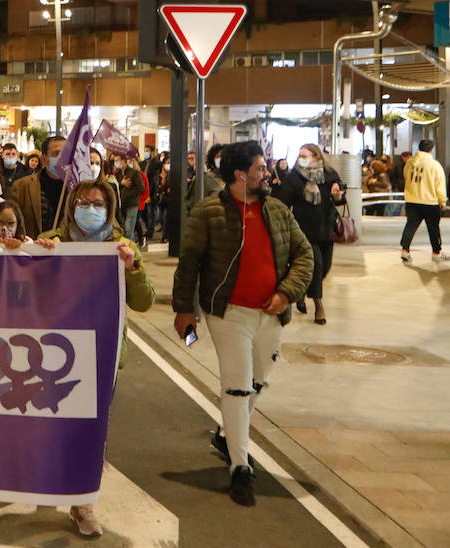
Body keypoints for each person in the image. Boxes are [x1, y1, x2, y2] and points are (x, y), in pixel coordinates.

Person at [171, 141, 313, 507]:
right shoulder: (208, 213)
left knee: (259, 381)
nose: (268, 174)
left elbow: (304, 254)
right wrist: (184, 310)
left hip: (272, 315)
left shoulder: (279, 211)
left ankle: (226, 433)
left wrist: (287, 293)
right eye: (261, 168)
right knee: (236, 388)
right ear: (240, 175)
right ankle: (240, 466)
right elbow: (189, 264)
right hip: (228, 314)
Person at [24, 176, 154, 537]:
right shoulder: (53, 240)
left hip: (101, 356)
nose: (91, 209)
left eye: (99, 204)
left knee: (91, 432)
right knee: (47, 426)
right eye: (84, 202)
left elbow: (143, 302)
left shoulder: (123, 247)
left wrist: (133, 271)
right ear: (72, 206)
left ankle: (82, 502)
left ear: (110, 210)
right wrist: (35, 257)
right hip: (52, 354)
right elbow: (23, 291)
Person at [275, 143, 344, 324]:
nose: (302, 159)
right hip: (304, 231)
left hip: (326, 229)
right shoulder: (294, 178)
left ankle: (302, 291)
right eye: (300, 156)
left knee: (325, 268)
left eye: (305, 155)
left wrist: (337, 196)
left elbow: (339, 200)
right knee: (316, 266)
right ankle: (319, 308)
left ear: (316, 157)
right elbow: (283, 202)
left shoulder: (330, 175)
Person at [7, 134, 67, 240]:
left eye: (65, 154)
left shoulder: (76, 188)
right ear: (44, 159)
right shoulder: (21, 186)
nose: (62, 158)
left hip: (65, 253)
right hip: (31, 251)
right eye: (57, 153)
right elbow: (11, 222)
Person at [400, 138, 448, 263]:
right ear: (431, 150)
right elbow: (440, 184)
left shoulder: (409, 163)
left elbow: (406, 177)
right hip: (429, 201)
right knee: (433, 228)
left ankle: (405, 250)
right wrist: (442, 201)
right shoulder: (434, 165)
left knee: (410, 225)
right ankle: (436, 252)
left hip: (412, 200)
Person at [115, 154, 144, 241]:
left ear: (123, 161)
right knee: (124, 227)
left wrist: (128, 194)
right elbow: (116, 186)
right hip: (122, 204)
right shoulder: (118, 174)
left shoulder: (134, 172)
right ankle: (131, 244)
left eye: (117, 160)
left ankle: (130, 247)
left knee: (129, 227)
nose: (116, 163)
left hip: (132, 203)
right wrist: (121, 183)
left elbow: (141, 188)